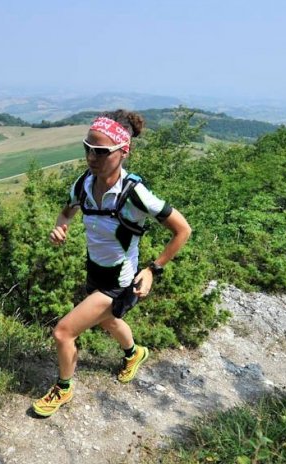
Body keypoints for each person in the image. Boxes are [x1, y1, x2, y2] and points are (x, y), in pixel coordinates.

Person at [32, 110, 192, 417]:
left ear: (123, 151)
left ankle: (63, 389)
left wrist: (153, 269)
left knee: (63, 332)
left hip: (120, 281)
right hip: (95, 271)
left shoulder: (136, 194)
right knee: (107, 320)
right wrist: (60, 226)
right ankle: (135, 354)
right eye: (87, 148)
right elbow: (67, 212)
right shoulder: (83, 184)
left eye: (101, 151)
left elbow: (182, 230)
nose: (92, 157)